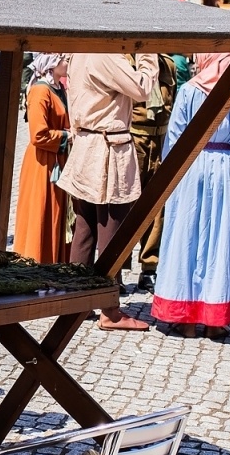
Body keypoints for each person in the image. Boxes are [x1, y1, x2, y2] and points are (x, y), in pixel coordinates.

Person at [151, 53, 230, 339]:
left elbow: (174, 139)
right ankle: (216, 319)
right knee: (219, 240)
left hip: (192, 165)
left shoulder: (190, 90)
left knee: (186, 237)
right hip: (226, 168)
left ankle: (186, 319)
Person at [59, 52, 157, 331]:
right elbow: (141, 88)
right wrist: (149, 58)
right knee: (110, 233)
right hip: (106, 150)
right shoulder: (105, 54)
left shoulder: (81, 53)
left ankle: (77, 302)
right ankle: (110, 310)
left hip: (88, 144)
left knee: (85, 230)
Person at [12, 53, 71, 263]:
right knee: (40, 210)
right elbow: (38, 135)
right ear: (54, 63)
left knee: (56, 213)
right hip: (42, 162)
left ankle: (55, 261)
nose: (69, 62)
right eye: (66, 59)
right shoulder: (40, 91)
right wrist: (67, 136)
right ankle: (36, 260)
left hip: (58, 159)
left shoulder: (60, 88)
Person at [129, 53, 179, 293]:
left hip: (160, 141)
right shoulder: (126, 60)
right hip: (133, 138)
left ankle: (149, 268)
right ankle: (116, 268)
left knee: (156, 207)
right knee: (125, 205)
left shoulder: (168, 65)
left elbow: (174, 103)